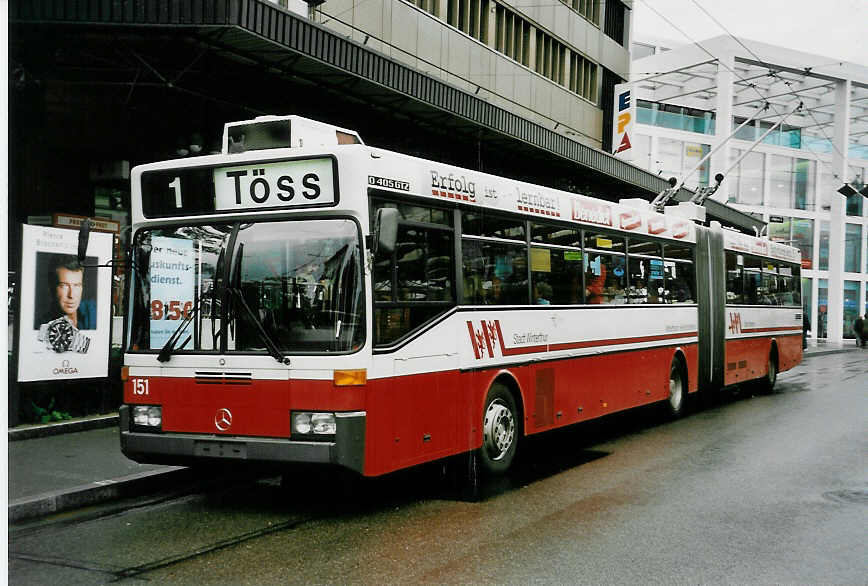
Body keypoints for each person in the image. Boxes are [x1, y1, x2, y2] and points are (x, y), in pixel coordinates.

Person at [39, 256, 96, 330]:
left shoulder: (93, 312)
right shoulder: (42, 326)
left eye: (76, 285)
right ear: (51, 288)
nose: (71, 295)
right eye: (64, 285)